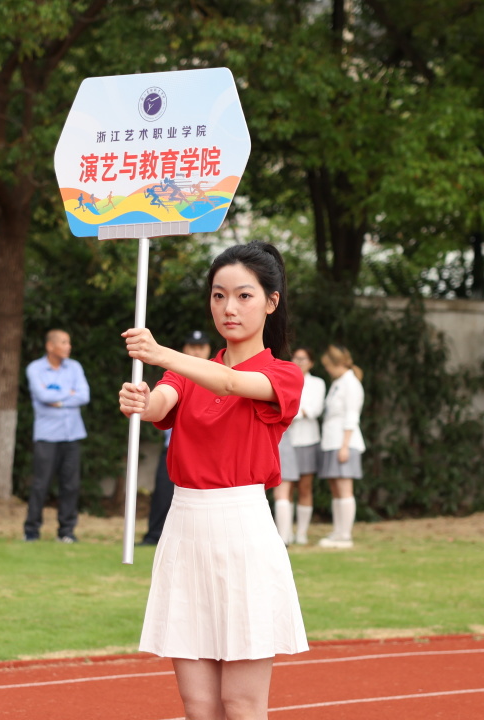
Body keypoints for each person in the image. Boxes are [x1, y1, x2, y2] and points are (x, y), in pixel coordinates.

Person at [118, 241, 308, 720]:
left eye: (244, 296)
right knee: (199, 706)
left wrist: (161, 353)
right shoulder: (186, 374)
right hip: (185, 529)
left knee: (240, 704)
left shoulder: (283, 375)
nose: (229, 308)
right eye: (219, 295)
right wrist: (141, 401)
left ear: (271, 301)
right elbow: (160, 404)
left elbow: (229, 382)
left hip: (243, 532)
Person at [139, 330, 212, 546]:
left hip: (206, 452)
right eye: (192, 347)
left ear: (208, 349)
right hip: (173, 448)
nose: (196, 351)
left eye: (201, 347)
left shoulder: (219, 376)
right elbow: (159, 401)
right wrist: (146, 404)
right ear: (184, 348)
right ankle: (154, 536)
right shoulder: (176, 374)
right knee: (163, 493)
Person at [23, 329, 90, 543]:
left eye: (69, 342)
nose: (69, 346)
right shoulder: (35, 368)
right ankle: (31, 531)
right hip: (47, 436)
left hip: (72, 435)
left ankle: (66, 532)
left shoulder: (75, 367)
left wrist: (58, 401)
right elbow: (42, 395)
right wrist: (69, 394)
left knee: (71, 485)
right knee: (40, 484)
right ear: (50, 346)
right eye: (64, 342)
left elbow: (84, 396)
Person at [274, 347, 327, 545]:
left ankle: (302, 533)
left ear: (311, 363)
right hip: (285, 440)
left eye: (304, 359)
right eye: (296, 358)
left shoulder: (317, 383)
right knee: (284, 488)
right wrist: (297, 412)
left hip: (307, 440)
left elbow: (314, 410)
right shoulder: (285, 379)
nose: (299, 362)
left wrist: (293, 413)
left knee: (305, 487)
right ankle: (284, 534)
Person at [316, 344, 366, 550]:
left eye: (328, 365)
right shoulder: (338, 383)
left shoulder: (351, 383)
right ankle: (338, 531)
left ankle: (345, 536)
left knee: (345, 489)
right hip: (331, 441)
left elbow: (352, 416)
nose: (327, 369)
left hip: (344, 442)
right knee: (336, 488)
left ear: (336, 364)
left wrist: (345, 446)